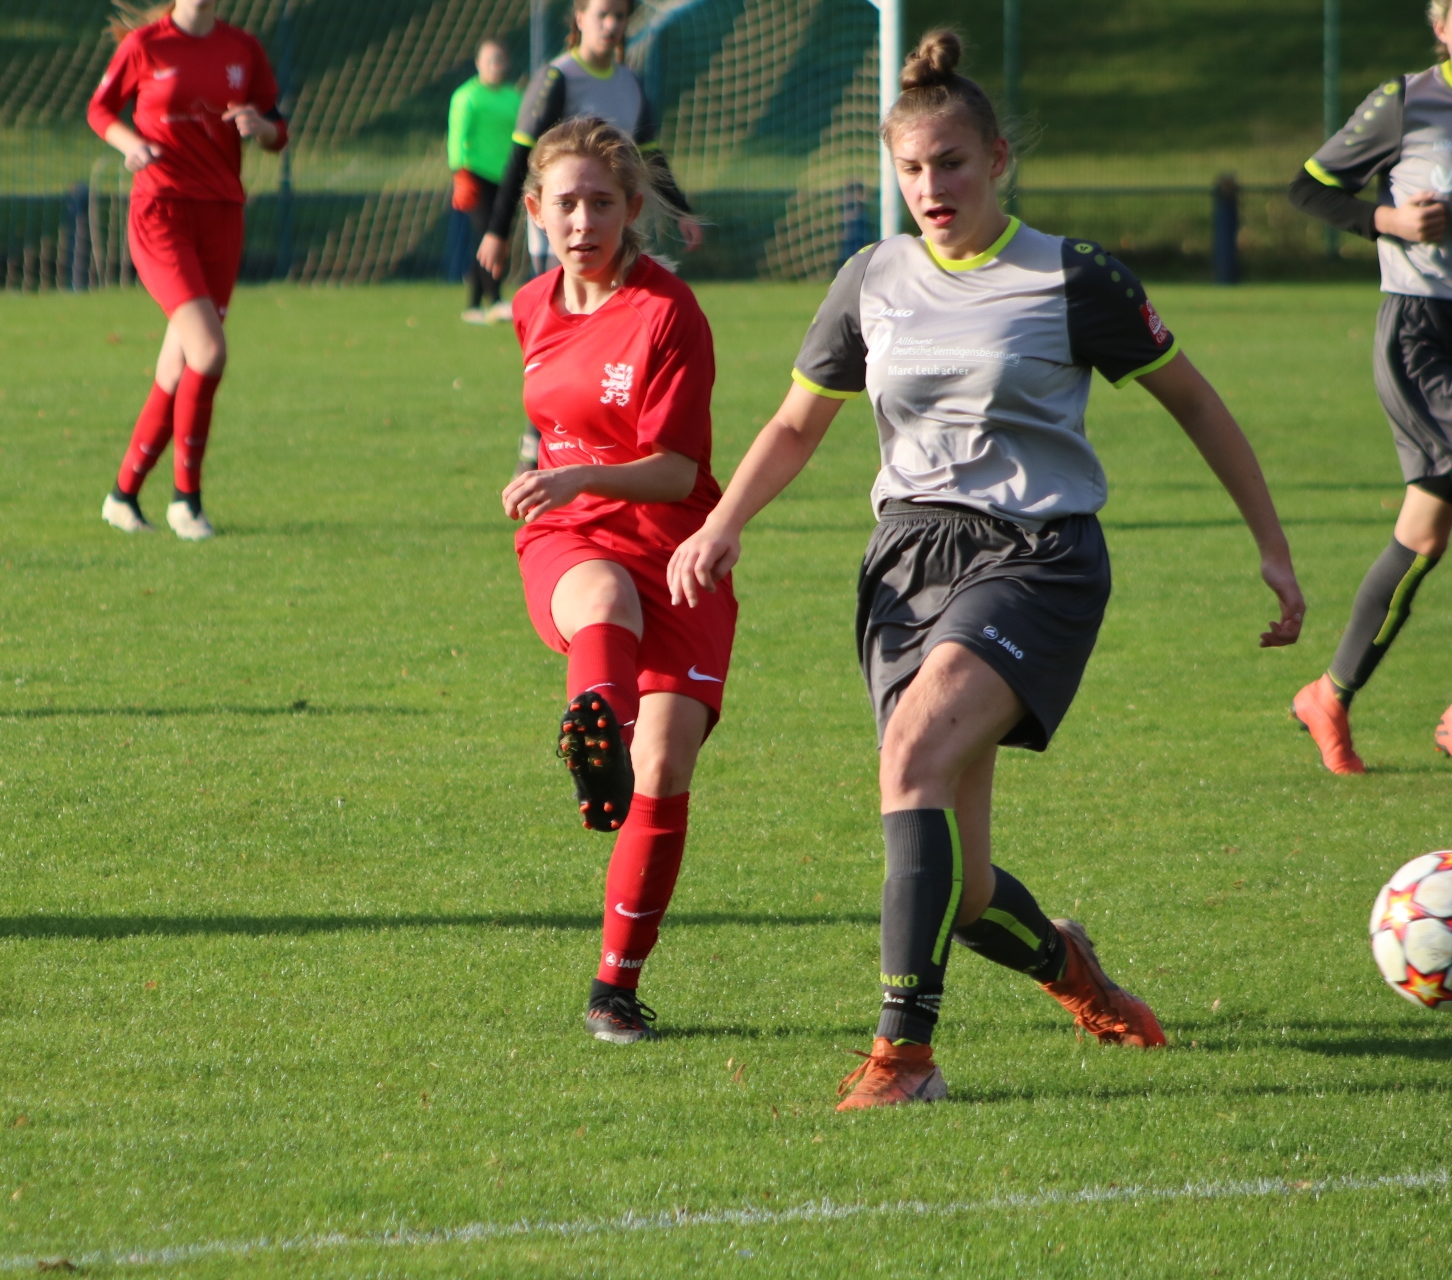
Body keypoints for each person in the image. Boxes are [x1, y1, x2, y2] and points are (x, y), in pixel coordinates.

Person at [668, 30, 1306, 1111]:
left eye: (952, 163)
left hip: (1038, 556)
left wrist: (1274, 546)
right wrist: (723, 521)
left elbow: (1195, 400)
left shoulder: (1070, 274)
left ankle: (903, 1057)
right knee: (957, 887)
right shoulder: (871, 276)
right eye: (912, 170)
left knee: (910, 755)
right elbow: (793, 421)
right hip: (906, 562)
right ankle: (1070, 966)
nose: (931, 188)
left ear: (998, 157)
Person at [501, 117, 733, 1047]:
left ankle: (615, 987)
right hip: (571, 535)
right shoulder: (531, 306)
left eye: (602, 201)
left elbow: (679, 473)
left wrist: (578, 471)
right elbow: (552, 422)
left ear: (634, 208)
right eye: (566, 202)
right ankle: (595, 734)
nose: (583, 218)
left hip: (678, 543)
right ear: (535, 211)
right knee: (600, 599)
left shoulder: (667, 312)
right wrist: (554, 481)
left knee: (666, 766)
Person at [1285, 0, 1452, 772]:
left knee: (1423, 534)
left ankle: (1330, 693)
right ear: (1442, 25)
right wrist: (1393, 222)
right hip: (1422, 337)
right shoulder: (1407, 101)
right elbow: (1310, 188)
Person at [89, 0, 287, 540]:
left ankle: (123, 495)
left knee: (179, 368)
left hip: (221, 215)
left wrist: (258, 127)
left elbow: (278, 129)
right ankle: (186, 501)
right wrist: (129, 143)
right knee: (209, 350)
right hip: (161, 213)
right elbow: (100, 110)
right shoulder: (146, 45)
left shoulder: (242, 50)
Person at [479, 0, 703, 475]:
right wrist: (497, 230)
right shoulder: (556, 79)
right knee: (563, 353)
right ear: (578, 18)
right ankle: (539, 445)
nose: (610, 25)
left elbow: (648, 156)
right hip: (564, 244)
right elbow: (521, 158)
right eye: (601, 14)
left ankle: (609, 454)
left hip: (613, 233)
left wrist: (681, 209)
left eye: (619, 17)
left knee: (616, 350)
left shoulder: (629, 82)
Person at [450, 39, 523, 325]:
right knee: (488, 237)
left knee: (496, 238)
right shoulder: (467, 96)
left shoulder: (512, 97)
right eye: (489, 60)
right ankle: (494, 300)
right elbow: (457, 137)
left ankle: (474, 305)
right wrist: (460, 173)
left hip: (507, 176)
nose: (495, 66)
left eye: (499, 60)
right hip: (477, 175)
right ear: (478, 63)